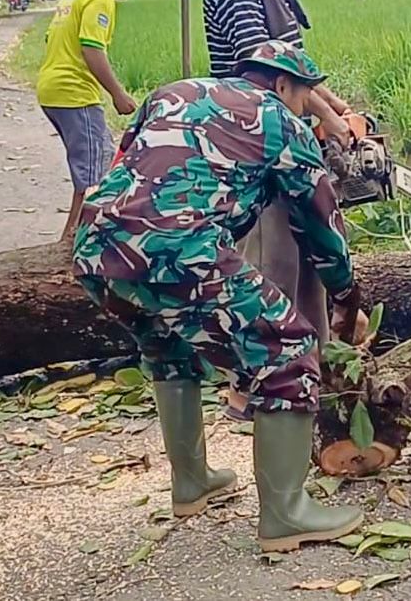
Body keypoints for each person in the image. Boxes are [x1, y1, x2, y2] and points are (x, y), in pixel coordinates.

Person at [73, 40, 368, 553]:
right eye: (305, 96)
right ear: (282, 84)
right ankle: (286, 513)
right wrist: (347, 295)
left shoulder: (172, 93)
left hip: (97, 244)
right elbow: (320, 221)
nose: (305, 109)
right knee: (289, 348)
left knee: (169, 344)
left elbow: (131, 166)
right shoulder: (281, 120)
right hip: (180, 246)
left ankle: (190, 483)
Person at [201, 0, 356, 377]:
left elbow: (296, 68)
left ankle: (315, 367)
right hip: (256, 144)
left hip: (288, 131)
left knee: (309, 257)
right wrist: (329, 121)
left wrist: (333, 108)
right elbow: (270, 75)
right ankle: (256, 385)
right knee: (272, 265)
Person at [36, 0, 145, 241]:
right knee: (96, 178)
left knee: (91, 170)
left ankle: (70, 240)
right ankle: (77, 246)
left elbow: (51, 38)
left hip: (51, 89)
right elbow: (91, 49)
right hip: (75, 94)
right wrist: (118, 94)